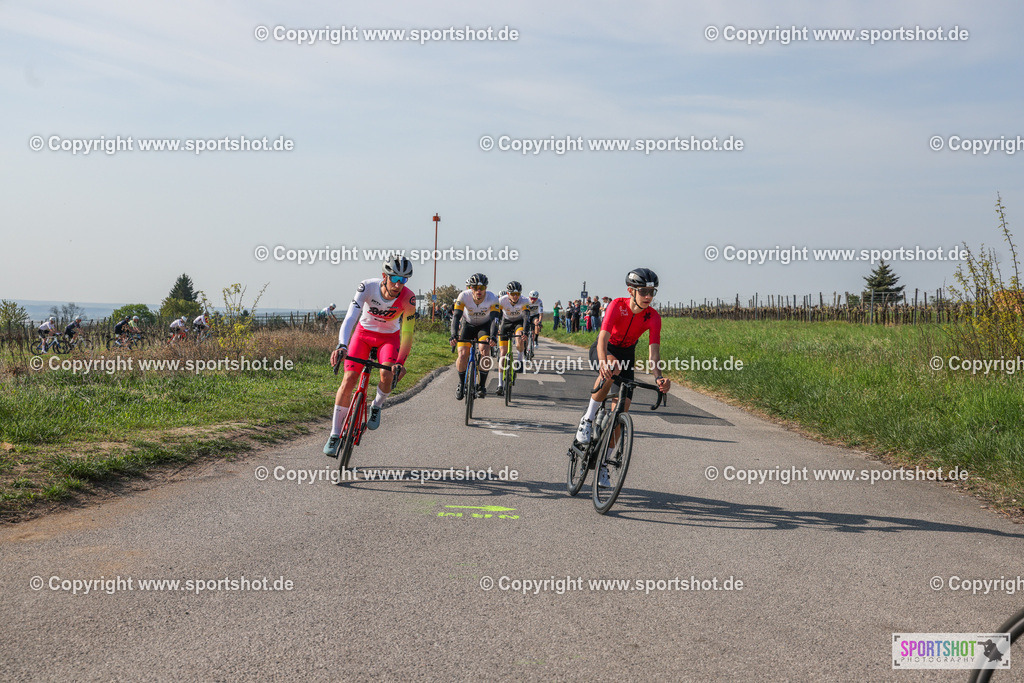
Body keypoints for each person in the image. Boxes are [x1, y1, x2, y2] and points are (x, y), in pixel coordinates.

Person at [574, 268, 671, 487]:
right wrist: (602, 363)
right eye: (644, 291)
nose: (648, 296)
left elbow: (653, 353)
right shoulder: (616, 305)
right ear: (631, 290)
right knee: (613, 367)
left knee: (622, 409)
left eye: (652, 292)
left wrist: (659, 379)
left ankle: (603, 463)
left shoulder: (653, 317)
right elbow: (602, 338)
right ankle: (587, 420)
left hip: (627, 354)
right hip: (606, 349)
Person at [324, 255, 416, 455]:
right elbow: (351, 317)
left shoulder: (408, 298)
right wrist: (342, 345)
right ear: (384, 276)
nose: (399, 285)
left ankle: (376, 405)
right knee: (349, 379)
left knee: (386, 375)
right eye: (395, 278)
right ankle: (334, 434)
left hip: (388, 339)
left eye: (404, 280)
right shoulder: (367, 287)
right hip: (363, 335)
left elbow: (408, 333)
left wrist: (400, 362)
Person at [450, 273, 499, 399]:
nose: (478, 290)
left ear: (485, 288)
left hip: (484, 326)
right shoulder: (463, 296)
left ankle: (482, 385)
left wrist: (493, 336)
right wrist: (454, 334)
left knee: (485, 350)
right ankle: (461, 383)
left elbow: (494, 320)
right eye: (475, 287)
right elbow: (456, 316)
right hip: (468, 325)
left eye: (481, 288)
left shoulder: (492, 298)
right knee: (462, 354)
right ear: (470, 288)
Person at [496, 281, 530, 391]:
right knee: (502, 353)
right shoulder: (502, 300)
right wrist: (496, 329)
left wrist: (525, 332)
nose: (515, 296)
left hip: (519, 322)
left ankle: (520, 360)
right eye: (513, 294)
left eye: (517, 294)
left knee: (519, 337)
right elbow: (496, 316)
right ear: (508, 293)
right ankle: (500, 384)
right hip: (506, 322)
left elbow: (526, 317)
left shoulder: (524, 301)